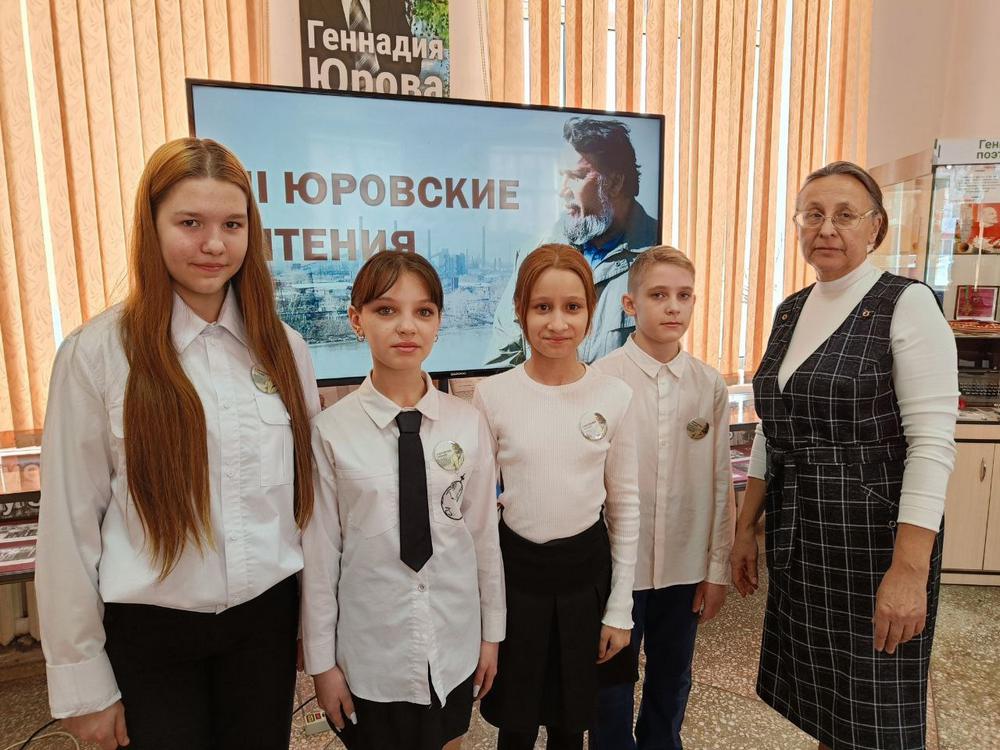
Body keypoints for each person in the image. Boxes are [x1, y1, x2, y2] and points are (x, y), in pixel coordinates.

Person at [34, 137, 321, 749]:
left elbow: (301, 508)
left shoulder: (285, 349)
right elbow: (68, 526)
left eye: (232, 225)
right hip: (151, 638)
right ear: (152, 226)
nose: (214, 244)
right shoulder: (97, 355)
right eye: (190, 223)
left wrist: (314, 628)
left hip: (263, 629)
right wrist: (82, 683)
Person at [730, 161, 959, 750]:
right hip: (802, 533)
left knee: (874, 704)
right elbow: (773, 429)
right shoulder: (791, 310)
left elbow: (932, 445)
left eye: (844, 215)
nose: (826, 228)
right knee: (824, 699)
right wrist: (746, 527)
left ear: (875, 227)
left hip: (873, 540)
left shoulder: (906, 304)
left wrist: (909, 571)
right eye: (812, 215)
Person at [301, 250, 505, 750]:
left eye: (424, 311)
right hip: (373, 652)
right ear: (357, 320)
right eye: (387, 310)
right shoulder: (330, 432)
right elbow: (321, 556)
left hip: (453, 639)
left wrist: (491, 635)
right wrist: (322, 664)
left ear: (438, 322)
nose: (407, 326)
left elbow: (483, 537)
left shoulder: (467, 422)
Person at [473, 244, 640, 750]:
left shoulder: (614, 396)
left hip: (585, 578)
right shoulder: (493, 395)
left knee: (572, 725)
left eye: (572, 307)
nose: (558, 323)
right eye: (542, 307)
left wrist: (619, 610)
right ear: (521, 311)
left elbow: (625, 508)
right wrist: (486, 616)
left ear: (591, 310)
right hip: (516, 577)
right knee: (516, 725)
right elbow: (479, 513)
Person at [590, 246, 736, 750]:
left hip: (683, 564)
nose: (673, 307)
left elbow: (719, 481)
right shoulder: (602, 380)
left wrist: (715, 568)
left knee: (672, 679)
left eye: (684, 295)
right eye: (658, 295)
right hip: (618, 568)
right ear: (630, 304)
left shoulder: (707, 384)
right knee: (610, 682)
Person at [487, 118, 659, 366]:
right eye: (561, 177)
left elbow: (659, 367)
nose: (562, 191)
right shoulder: (533, 252)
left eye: (576, 177)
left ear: (615, 182)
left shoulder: (656, 261)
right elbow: (503, 357)